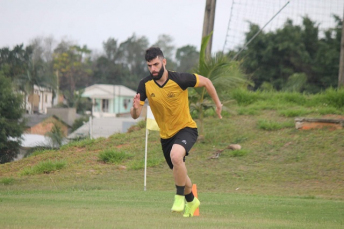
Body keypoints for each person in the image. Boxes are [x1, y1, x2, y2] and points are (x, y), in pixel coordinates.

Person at [130, 47, 222, 217]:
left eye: (156, 64)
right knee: (180, 171)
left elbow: (207, 82)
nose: (153, 69)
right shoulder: (145, 85)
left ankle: (179, 197)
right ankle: (192, 201)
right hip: (166, 137)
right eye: (149, 66)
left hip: (186, 128)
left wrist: (218, 104)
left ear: (164, 62)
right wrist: (135, 108)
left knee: (176, 156)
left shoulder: (179, 79)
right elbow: (135, 116)